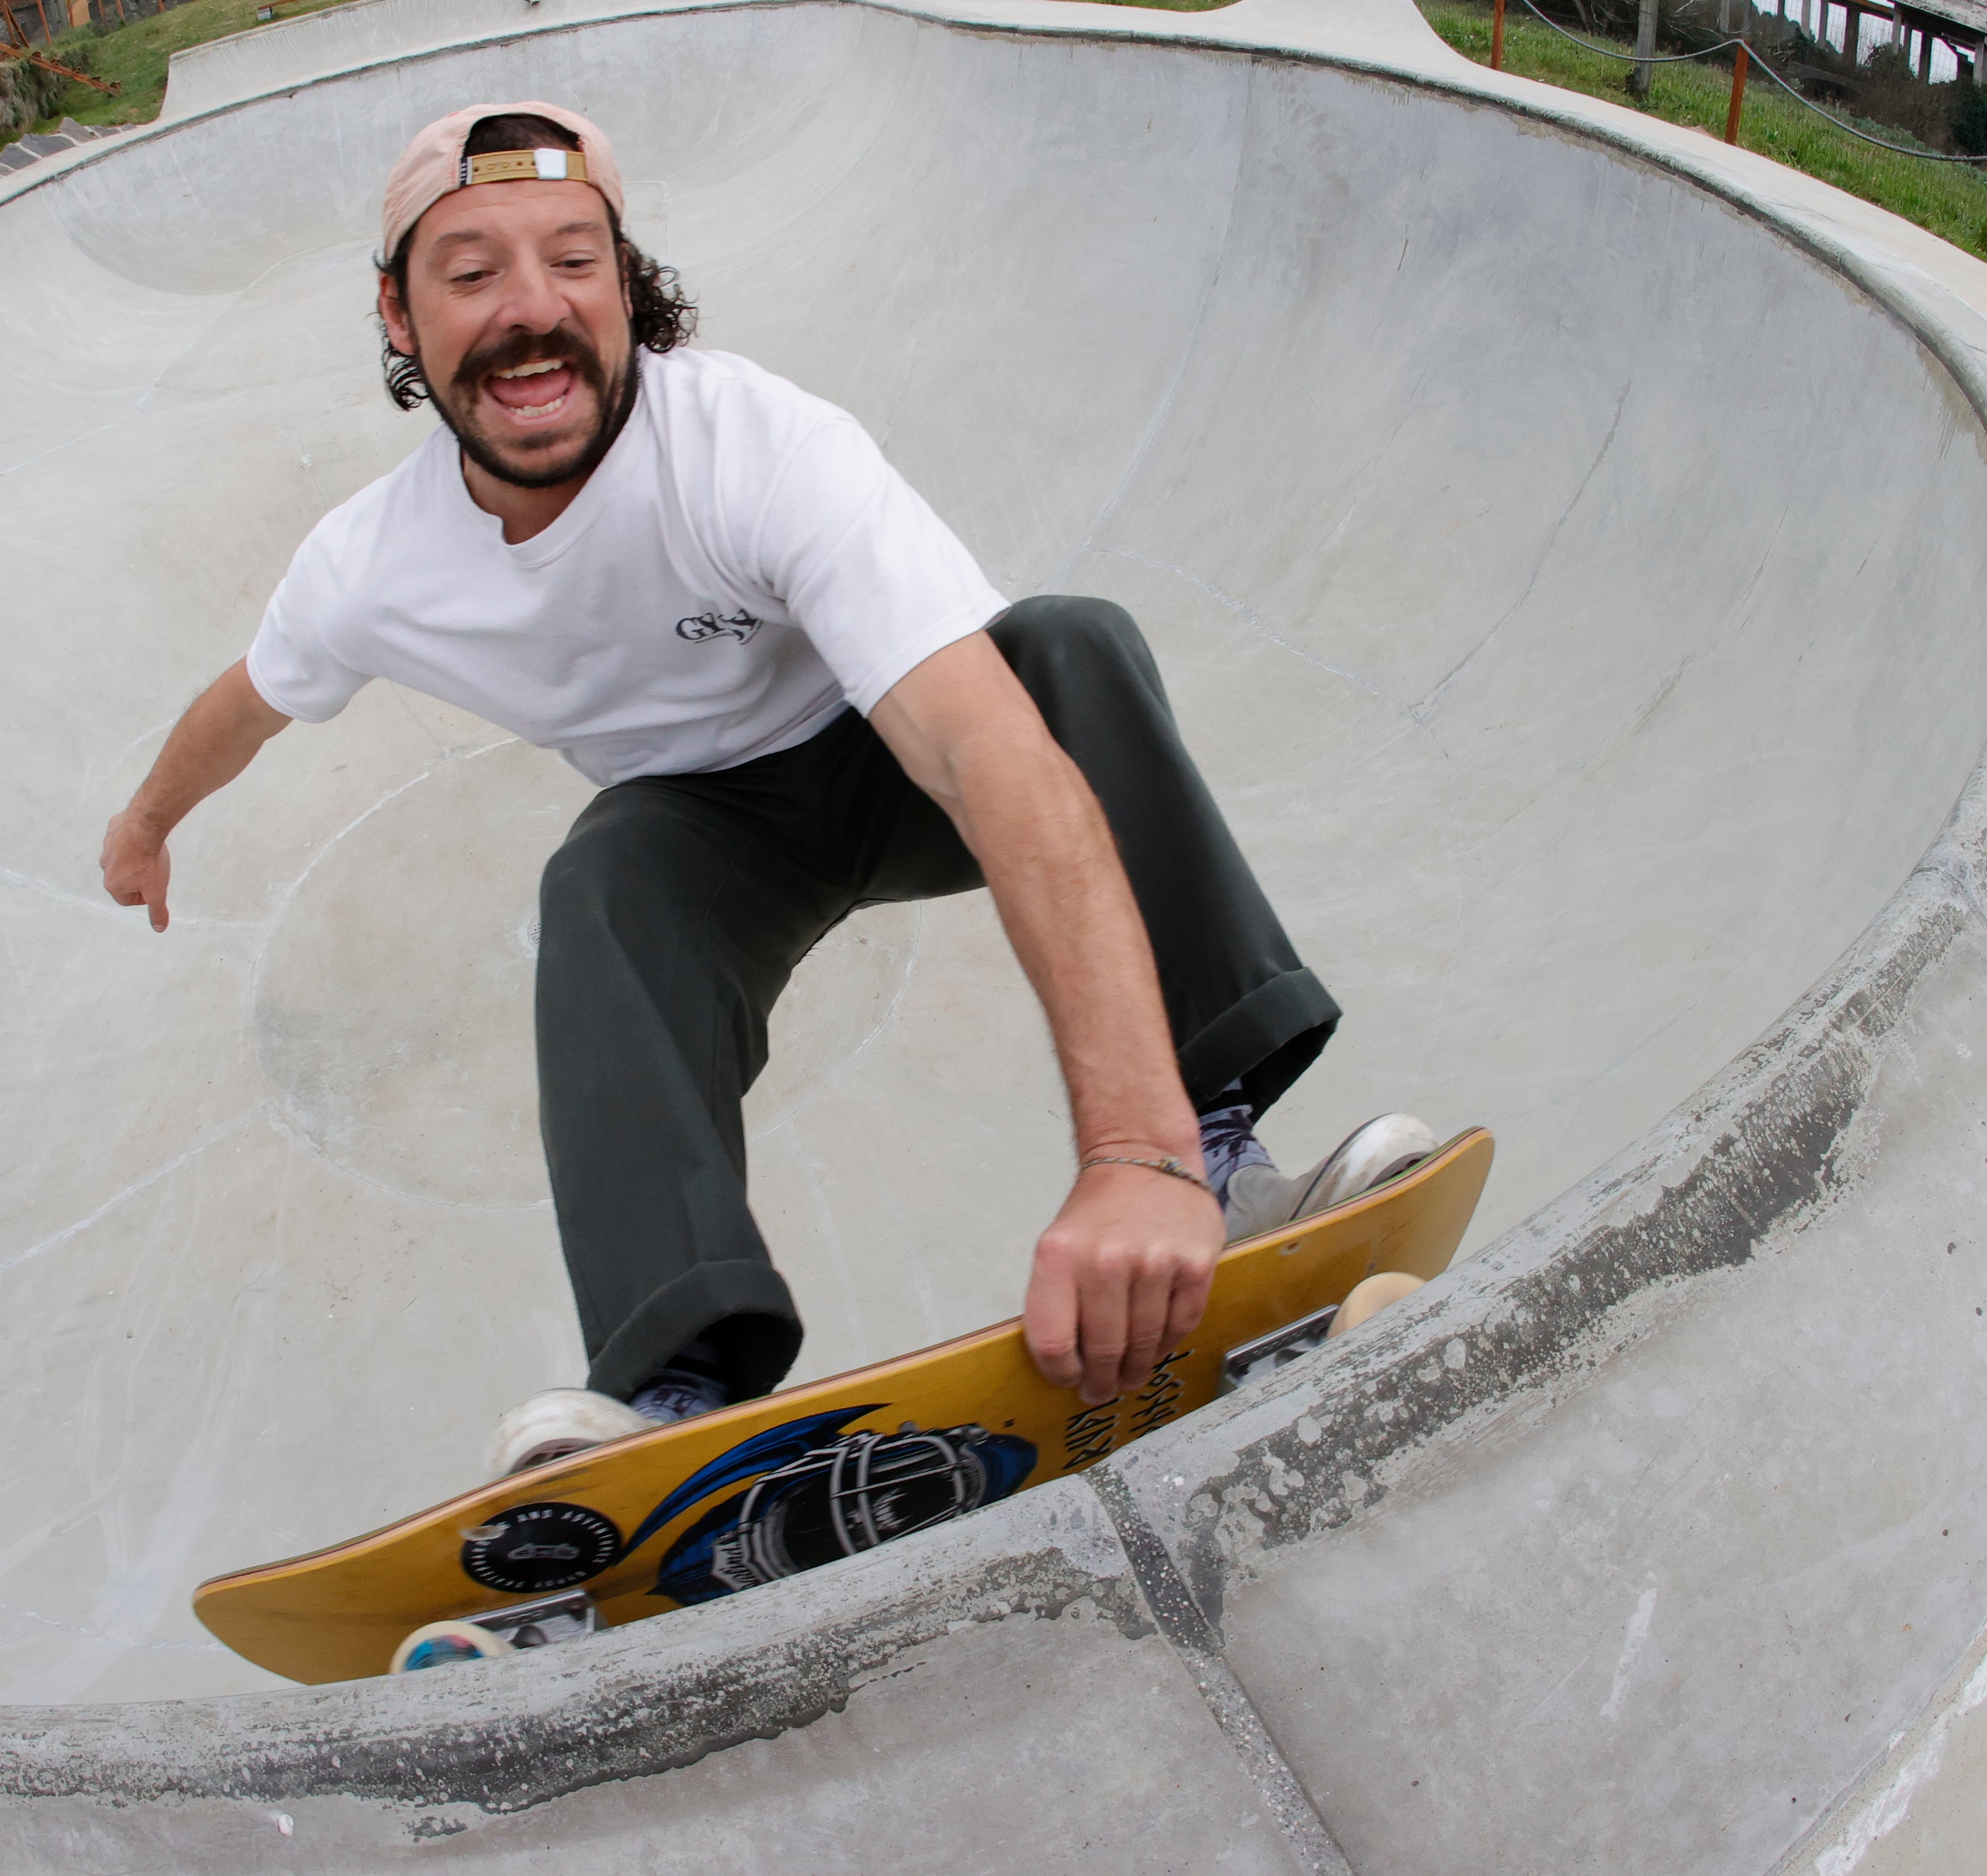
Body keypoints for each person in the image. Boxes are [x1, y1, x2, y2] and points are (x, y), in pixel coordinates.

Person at [98, 100, 1428, 1478]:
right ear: (397, 313)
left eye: (573, 259)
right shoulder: (370, 563)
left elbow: (982, 749)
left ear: (627, 285)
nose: (530, 313)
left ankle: (1212, 1154)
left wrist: (1133, 1151)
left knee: (1066, 649)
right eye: (471, 271)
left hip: (881, 750)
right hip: (705, 835)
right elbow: (245, 703)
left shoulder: (753, 444)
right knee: (600, 881)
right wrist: (145, 826)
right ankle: (676, 1396)